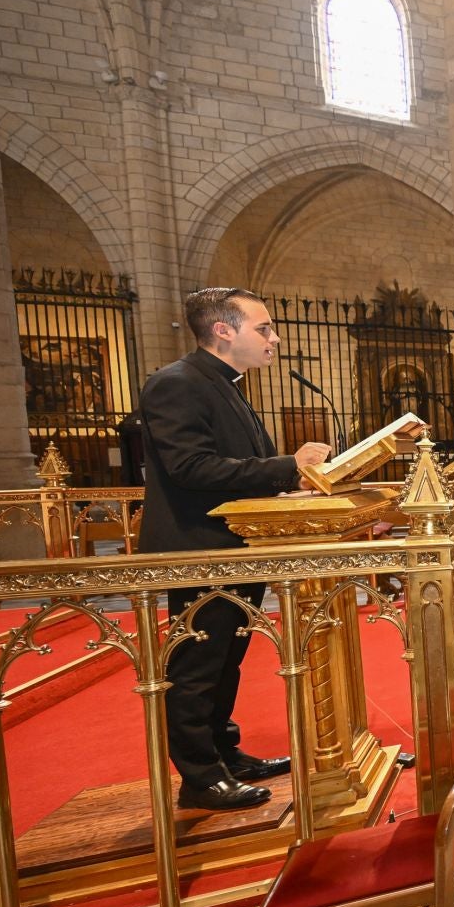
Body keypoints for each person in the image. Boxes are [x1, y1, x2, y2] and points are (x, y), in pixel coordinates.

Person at [138, 288, 325, 810]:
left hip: (235, 542)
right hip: (200, 547)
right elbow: (190, 468)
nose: (274, 338)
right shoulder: (176, 383)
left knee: (227, 659)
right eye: (263, 328)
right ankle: (200, 777)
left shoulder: (225, 385)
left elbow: (237, 469)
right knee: (199, 664)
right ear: (223, 330)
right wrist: (288, 467)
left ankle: (224, 754)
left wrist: (284, 490)